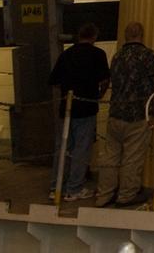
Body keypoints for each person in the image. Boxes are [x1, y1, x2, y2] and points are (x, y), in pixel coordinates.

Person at [96, 21, 154, 208]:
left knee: (110, 156)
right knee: (132, 158)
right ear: (142, 35)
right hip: (138, 115)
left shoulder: (117, 56)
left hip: (115, 113)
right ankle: (126, 195)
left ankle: (104, 194)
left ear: (126, 36)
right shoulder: (148, 56)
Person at [48, 23, 110, 201]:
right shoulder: (98, 55)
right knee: (81, 149)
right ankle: (74, 188)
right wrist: (99, 95)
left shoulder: (66, 54)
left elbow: (54, 80)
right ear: (94, 36)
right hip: (87, 107)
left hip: (66, 108)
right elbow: (105, 79)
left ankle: (56, 186)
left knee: (62, 148)